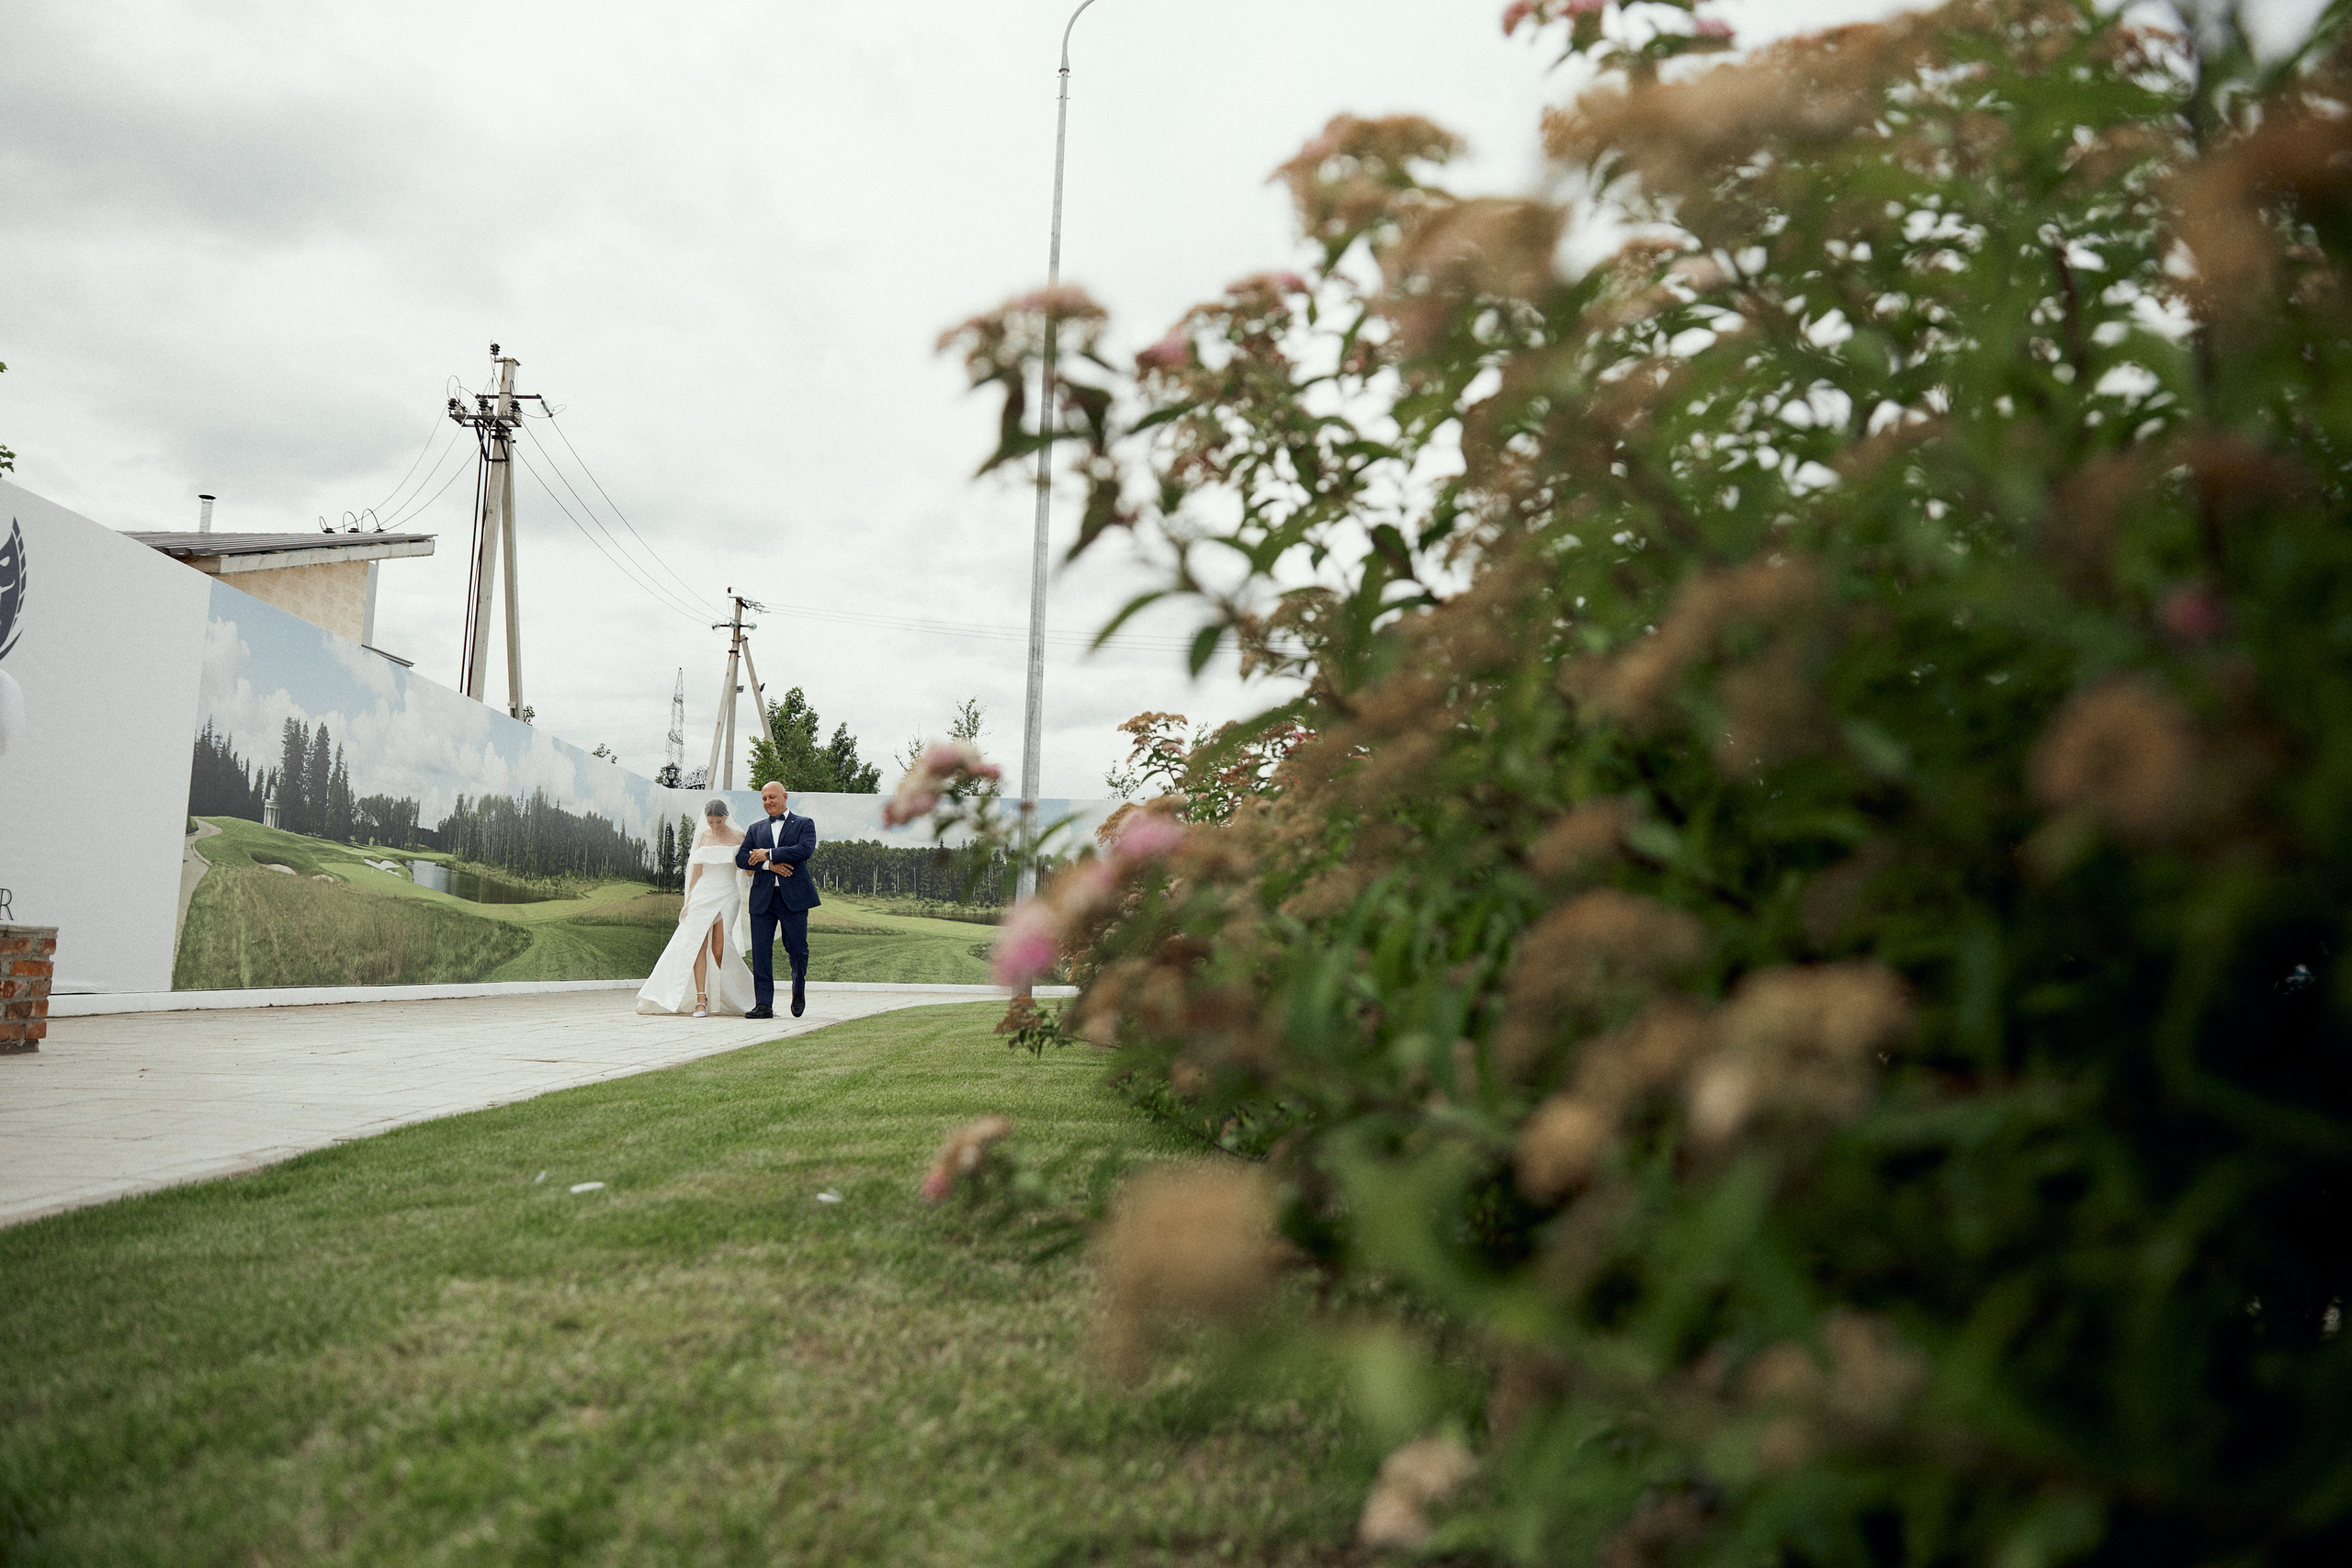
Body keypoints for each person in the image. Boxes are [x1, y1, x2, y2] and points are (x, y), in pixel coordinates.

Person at [635, 798, 757, 1018]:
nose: (715, 826)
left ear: (726, 817)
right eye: (711, 822)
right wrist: (688, 902)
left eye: (719, 821)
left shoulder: (740, 836)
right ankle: (701, 999)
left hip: (728, 894)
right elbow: (696, 873)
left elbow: (747, 871)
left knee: (721, 948)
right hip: (703, 894)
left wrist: (754, 861)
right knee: (696, 944)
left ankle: (740, 996)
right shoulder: (702, 837)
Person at [737, 780, 820, 1018]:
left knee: (797, 949)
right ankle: (764, 1005)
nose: (768, 802)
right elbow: (742, 858)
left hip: (794, 898)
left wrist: (768, 853)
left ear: (785, 797)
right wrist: (769, 864)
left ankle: (798, 989)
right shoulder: (755, 829)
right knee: (761, 953)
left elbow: (804, 850)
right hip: (762, 899)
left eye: (772, 797)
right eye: (764, 798)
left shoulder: (804, 823)